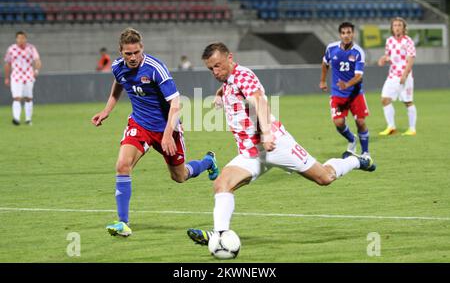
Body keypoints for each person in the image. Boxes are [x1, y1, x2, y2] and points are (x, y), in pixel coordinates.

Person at [186, 42, 376, 246]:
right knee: (222, 184)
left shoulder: (244, 76)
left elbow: (260, 101)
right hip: (251, 154)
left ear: (230, 58)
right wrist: (219, 94)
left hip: (276, 145)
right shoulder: (229, 81)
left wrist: (267, 132)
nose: (215, 72)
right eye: (210, 68)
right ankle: (220, 235)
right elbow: (231, 89)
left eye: (218, 65)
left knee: (324, 177)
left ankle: (356, 161)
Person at [91, 28, 219, 237]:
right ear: (121, 52)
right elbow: (119, 84)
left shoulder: (155, 68)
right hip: (140, 125)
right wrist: (107, 110)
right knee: (122, 165)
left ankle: (208, 161)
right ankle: (123, 223)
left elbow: (176, 104)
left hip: (167, 127)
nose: (132, 58)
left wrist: (168, 134)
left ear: (142, 48)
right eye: (128, 54)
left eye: (136, 52)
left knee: (179, 176)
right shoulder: (117, 67)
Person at [320, 22, 371, 158]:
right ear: (340, 34)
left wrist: (347, 84)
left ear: (353, 34)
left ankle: (365, 152)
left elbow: (359, 75)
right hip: (338, 93)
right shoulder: (331, 48)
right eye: (343, 33)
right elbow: (325, 64)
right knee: (339, 122)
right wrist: (323, 80)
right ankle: (352, 139)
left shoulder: (358, 52)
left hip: (355, 93)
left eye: (349, 33)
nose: (346, 36)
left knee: (360, 122)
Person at [378, 17, 417, 136]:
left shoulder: (408, 41)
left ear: (404, 28)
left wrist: (405, 74)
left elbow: (411, 59)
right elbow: (389, 56)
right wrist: (383, 59)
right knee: (385, 99)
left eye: (400, 25)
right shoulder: (389, 41)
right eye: (395, 25)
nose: (397, 27)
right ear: (392, 28)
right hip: (392, 75)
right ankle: (391, 127)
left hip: (405, 75)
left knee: (408, 101)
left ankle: (412, 128)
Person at [3, 31, 41, 125]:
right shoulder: (11, 49)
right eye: (19, 38)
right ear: (16, 39)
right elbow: (7, 64)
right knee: (17, 98)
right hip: (16, 76)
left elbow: (37, 60)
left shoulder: (31, 48)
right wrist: (7, 77)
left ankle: (28, 119)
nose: (21, 40)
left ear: (26, 38)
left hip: (28, 76)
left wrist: (36, 70)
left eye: (23, 38)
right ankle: (16, 119)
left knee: (28, 98)